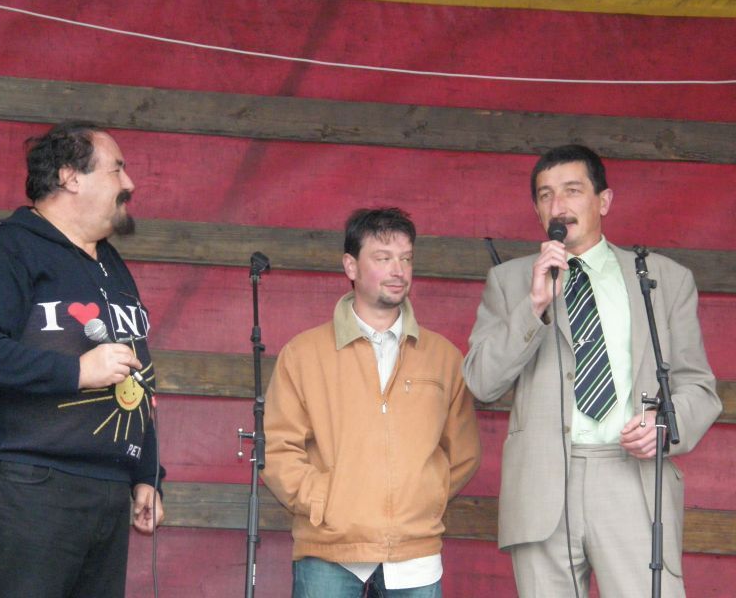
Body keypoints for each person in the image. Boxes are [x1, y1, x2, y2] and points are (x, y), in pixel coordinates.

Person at [463, 144, 721, 597]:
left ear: (603, 201)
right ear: (536, 210)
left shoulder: (663, 279)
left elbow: (698, 387)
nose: (558, 206)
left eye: (572, 190)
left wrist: (665, 424)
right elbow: (482, 382)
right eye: (545, 195)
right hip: (542, 486)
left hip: (631, 475)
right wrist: (533, 306)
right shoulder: (510, 282)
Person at [0, 121, 165, 598]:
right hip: (26, 482)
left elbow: (135, 372)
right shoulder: (6, 251)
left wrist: (146, 473)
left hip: (106, 486)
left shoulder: (111, 264)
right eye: (117, 169)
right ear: (70, 177)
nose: (129, 183)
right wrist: (76, 371)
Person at [262, 207, 481, 597]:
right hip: (329, 548)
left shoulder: (443, 357)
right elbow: (277, 449)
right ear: (351, 266)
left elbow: (463, 452)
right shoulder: (304, 354)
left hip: (415, 552)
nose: (398, 270)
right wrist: (324, 501)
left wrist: (423, 498)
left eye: (406, 259)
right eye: (383, 258)